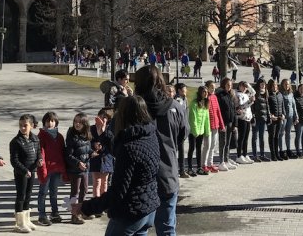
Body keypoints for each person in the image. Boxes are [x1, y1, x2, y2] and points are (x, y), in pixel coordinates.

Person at [73, 96, 161, 236]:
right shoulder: (150, 135)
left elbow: (118, 192)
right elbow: (123, 151)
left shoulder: (129, 147)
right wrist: (104, 134)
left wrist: (86, 207)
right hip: (149, 208)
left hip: (130, 212)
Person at [134, 65, 190, 236]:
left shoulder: (133, 108)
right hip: (167, 174)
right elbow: (182, 135)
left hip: (140, 178)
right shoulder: (176, 106)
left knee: (139, 229)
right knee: (166, 229)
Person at [9, 114, 42, 233]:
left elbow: (39, 152)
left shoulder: (35, 139)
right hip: (21, 173)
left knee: (28, 195)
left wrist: (40, 159)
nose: (23, 128)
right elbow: (14, 160)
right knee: (21, 196)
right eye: (21, 125)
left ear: (32, 126)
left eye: (25, 125)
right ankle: (19, 223)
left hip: (32, 171)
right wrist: (24, 170)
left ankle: (27, 219)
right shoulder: (16, 141)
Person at [36, 112, 66, 226]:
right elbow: (40, 153)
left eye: (52, 121)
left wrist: (63, 168)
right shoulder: (41, 136)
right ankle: (42, 215)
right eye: (48, 121)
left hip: (56, 168)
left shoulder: (60, 137)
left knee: (54, 192)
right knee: (43, 192)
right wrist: (42, 168)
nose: (50, 123)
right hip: (46, 168)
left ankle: (54, 212)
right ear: (44, 122)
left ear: (56, 122)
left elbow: (63, 152)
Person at [64, 113, 92, 225]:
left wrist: (92, 152)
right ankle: (74, 215)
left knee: (84, 190)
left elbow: (86, 150)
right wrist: (78, 163)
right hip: (74, 169)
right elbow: (68, 155)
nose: (77, 124)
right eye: (75, 121)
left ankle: (81, 211)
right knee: (75, 192)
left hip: (85, 168)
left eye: (80, 122)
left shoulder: (87, 135)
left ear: (85, 124)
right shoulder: (71, 135)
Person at [91, 108, 115, 196]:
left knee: (104, 183)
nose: (103, 120)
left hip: (107, 159)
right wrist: (94, 145)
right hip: (96, 158)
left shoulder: (110, 130)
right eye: (101, 117)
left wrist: (104, 131)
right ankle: (96, 204)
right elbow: (88, 142)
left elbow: (112, 145)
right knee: (97, 182)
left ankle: (103, 204)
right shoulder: (92, 129)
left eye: (105, 118)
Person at [215, 78, 238, 171]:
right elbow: (218, 110)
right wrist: (220, 124)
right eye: (228, 85)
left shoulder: (231, 95)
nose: (230, 86)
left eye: (231, 85)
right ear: (224, 85)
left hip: (230, 122)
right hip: (223, 122)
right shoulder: (220, 95)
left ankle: (226, 160)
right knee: (223, 143)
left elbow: (234, 110)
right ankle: (221, 162)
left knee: (228, 143)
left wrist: (235, 124)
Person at [202, 81, 224, 172]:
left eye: (214, 87)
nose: (213, 89)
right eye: (211, 87)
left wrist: (221, 124)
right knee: (207, 145)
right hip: (208, 125)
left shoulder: (215, 97)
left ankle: (210, 163)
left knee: (213, 145)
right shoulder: (205, 98)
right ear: (207, 88)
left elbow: (218, 111)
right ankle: (204, 164)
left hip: (216, 124)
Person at [188, 86, 210, 176]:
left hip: (200, 131)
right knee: (192, 149)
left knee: (199, 149)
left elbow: (206, 118)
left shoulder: (205, 103)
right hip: (193, 131)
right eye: (204, 92)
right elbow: (192, 118)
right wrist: (195, 131)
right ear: (200, 92)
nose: (206, 93)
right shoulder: (194, 103)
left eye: (207, 92)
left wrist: (207, 130)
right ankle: (189, 168)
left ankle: (199, 168)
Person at [235, 81, 255, 164]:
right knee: (241, 138)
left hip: (248, 118)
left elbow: (253, 92)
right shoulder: (237, 95)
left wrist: (249, 85)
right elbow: (240, 106)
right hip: (241, 118)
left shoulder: (246, 94)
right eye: (243, 86)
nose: (244, 88)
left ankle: (245, 154)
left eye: (245, 86)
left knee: (246, 138)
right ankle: (239, 155)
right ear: (239, 86)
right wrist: (250, 102)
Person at [250, 80, 270, 161]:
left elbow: (267, 106)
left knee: (262, 137)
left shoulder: (265, 93)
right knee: (255, 137)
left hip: (263, 118)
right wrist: (253, 116)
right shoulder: (255, 94)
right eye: (261, 84)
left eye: (264, 84)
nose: (263, 86)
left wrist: (268, 116)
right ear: (258, 85)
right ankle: (255, 155)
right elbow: (252, 106)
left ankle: (262, 154)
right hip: (256, 118)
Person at [267, 79, 285, 160]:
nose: (275, 87)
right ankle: (273, 154)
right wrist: (270, 115)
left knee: (277, 136)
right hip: (272, 119)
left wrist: (283, 114)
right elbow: (267, 107)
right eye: (273, 85)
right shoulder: (268, 95)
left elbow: (282, 106)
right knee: (272, 136)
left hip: (280, 118)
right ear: (270, 86)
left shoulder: (280, 94)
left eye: (276, 85)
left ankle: (277, 154)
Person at [280, 79, 298, 159]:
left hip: (290, 116)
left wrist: (296, 115)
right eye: (285, 84)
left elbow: (294, 105)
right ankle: (281, 150)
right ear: (282, 85)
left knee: (288, 134)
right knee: (281, 133)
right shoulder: (280, 94)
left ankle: (288, 149)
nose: (286, 85)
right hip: (284, 116)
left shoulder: (291, 94)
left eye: (288, 84)